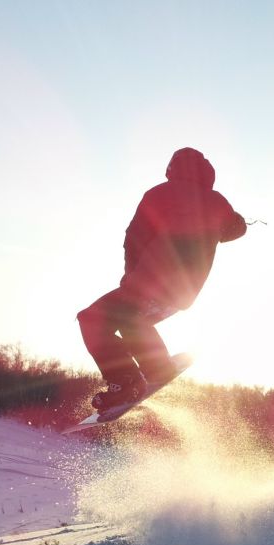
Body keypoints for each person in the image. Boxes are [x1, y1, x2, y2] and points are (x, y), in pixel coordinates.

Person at [77, 147, 247, 411]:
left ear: (172, 169)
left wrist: (129, 279)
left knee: (91, 319)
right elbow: (237, 228)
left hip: (150, 282)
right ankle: (155, 367)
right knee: (131, 320)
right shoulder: (217, 201)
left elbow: (134, 238)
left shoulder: (158, 194)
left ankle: (126, 380)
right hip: (183, 293)